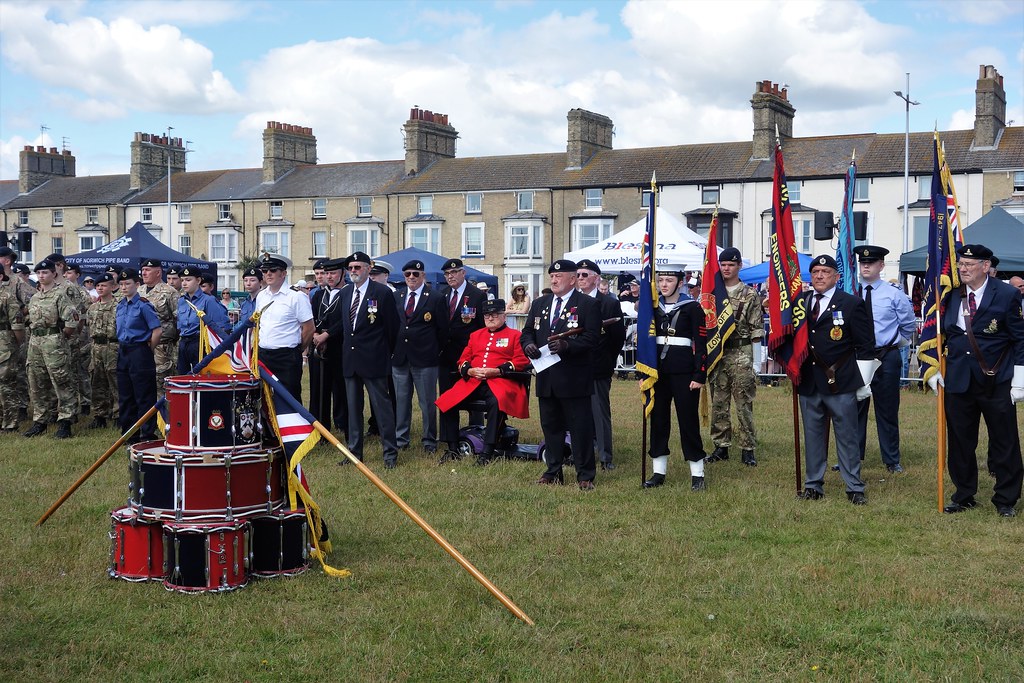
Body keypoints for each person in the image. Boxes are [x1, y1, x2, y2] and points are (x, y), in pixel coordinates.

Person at [933, 245, 1024, 517]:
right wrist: (934, 366)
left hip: (996, 379)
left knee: (1004, 440)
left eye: (970, 264)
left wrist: (1019, 379)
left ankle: (1006, 499)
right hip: (959, 380)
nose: (963, 268)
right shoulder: (949, 296)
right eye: (961, 264)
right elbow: (938, 333)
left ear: (986, 266)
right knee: (960, 440)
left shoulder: (1006, 294)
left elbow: (1020, 338)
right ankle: (964, 493)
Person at [795, 255, 875, 505]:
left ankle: (854, 487)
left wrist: (864, 382)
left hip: (840, 380)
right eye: (816, 271)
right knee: (813, 434)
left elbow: (866, 346)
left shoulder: (851, 304)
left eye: (825, 271)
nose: (819, 276)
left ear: (836, 276)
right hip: (809, 380)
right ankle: (813, 484)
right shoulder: (801, 302)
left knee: (848, 435)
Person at [521, 259, 601, 490]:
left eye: (559, 277)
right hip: (547, 377)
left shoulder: (586, 304)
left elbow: (592, 338)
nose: (554, 280)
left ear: (573, 279)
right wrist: (528, 345)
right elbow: (527, 331)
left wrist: (568, 346)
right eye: (552, 277)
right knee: (551, 426)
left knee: (580, 428)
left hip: (573, 377)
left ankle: (585, 475)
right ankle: (553, 471)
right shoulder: (540, 303)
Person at [437, 299, 531, 465]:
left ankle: (487, 451)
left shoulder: (515, 335)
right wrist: (470, 370)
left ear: (504, 316)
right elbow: (463, 359)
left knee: (497, 402)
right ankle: (452, 448)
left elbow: (521, 361)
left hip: (501, 381)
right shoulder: (476, 335)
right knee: (447, 400)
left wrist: (497, 370)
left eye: (495, 314)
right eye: (487, 315)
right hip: (474, 381)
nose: (490, 318)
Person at [642, 265, 709, 490]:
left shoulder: (692, 308)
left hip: (684, 372)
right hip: (658, 373)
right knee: (658, 421)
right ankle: (658, 472)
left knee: (688, 421)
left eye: (669, 280)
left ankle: (697, 473)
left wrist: (700, 374)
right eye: (661, 280)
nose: (663, 284)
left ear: (680, 282)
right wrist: (644, 373)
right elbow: (645, 341)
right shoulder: (653, 307)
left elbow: (701, 344)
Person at [853, 246, 916, 473]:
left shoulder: (893, 293)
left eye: (872, 262)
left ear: (881, 266)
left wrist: (894, 343)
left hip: (886, 356)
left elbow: (908, 324)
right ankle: (852, 456)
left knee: (887, 409)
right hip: (858, 357)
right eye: (863, 262)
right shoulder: (851, 292)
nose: (866, 266)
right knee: (854, 409)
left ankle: (891, 459)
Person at [339, 251, 400, 468]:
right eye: (351, 268)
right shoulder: (346, 293)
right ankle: (354, 453)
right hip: (351, 360)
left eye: (358, 267)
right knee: (353, 410)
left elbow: (393, 328)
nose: (353, 271)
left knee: (382, 409)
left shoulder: (382, 292)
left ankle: (390, 454)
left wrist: (384, 352)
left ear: (368, 268)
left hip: (374, 359)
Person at [706, 248, 765, 467]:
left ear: (739, 265)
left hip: (741, 352)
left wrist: (755, 362)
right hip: (718, 353)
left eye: (731, 264)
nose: (726, 268)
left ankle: (747, 448)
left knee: (743, 402)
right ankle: (721, 446)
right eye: (723, 264)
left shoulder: (749, 294)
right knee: (719, 402)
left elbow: (756, 330)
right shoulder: (713, 294)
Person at [391, 259, 449, 453]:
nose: (411, 278)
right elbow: (392, 327)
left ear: (423, 275)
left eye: (415, 274)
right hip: (400, 358)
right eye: (407, 274)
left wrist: (433, 351)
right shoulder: (397, 296)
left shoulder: (435, 297)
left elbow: (443, 330)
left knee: (427, 403)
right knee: (401, 402)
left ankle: (429, 440)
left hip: (425, 359)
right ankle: (401, 439)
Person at [576, 259, 627, 470]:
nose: (580, 279)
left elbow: (617, 338)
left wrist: (606, 360)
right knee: (577, 412)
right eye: (577, 275)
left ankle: (606, 458)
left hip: (597, 365)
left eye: (584, 275)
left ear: (596, 278)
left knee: (599, 413)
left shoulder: (609, 303)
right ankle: (579, 451)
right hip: (574, 366)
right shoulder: (573, 302)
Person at [22, 259, 80, 438]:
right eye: (39, 273)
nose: (41, 276)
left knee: (61, 381)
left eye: (45, 273)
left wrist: (60, 337)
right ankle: (40, 421)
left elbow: (72, 321)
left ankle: (65, 421)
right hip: (35, 342)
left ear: (54, 274)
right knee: (37, 382)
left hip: (54, 342)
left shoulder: (59, 295)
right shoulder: (35, 298)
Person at [438, 258, 487, 444]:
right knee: (446, 396)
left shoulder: (477, 295)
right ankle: (446, 435)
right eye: (447, 274)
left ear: (463, 273)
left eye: (454, 272)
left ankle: (476, 433)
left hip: (468, 356)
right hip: (446, 355)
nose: (451, 276)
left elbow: (482, 328)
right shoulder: (441, 294)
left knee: (472, 396)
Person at [254, 254, 314, 403]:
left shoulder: (296, 297)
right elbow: (259, 324)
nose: (268, 274)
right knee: (263, 397)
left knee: (289, 398)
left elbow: (309, 328)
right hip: (263, 355)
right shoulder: (262, 296)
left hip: (286, 356)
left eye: (273, 270)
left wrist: (298, 349)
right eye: (265, 270)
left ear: (283, 273)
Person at [115, 268, 162, 442]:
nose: (124, 287)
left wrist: (148, 349)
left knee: (144, 395)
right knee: (126, 395)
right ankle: (129, 434)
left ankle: (147, 433)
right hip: (124, 350)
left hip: (140, 351)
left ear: (137, 284)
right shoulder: (120, 305)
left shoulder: (143, 305)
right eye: (121, 284)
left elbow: (157, 330)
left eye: (128, 284)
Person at [308, 258, 348, 434]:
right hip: (318, 347)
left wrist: (327, 334)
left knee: (341, 388)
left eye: (333, 273)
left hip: (340, 347)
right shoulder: (318, 295)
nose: (329, 277)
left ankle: (343, 423)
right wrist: (315, 334)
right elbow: (312, 317)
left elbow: (345, 320)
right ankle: (319, 425)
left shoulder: (348, 293)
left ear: (342, 274)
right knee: (318, 387)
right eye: (326, 273)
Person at [0, 247, 34, 422]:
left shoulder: (16, 281)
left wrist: (22, 314)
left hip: (14, 333)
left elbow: (34, 300)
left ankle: (21, 407)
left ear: (7, 260)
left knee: (17, 372)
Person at [176, 266, 230, 374]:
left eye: (188, 280)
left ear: (198, 281)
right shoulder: (182, 301)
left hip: (200, 343)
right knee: (183, 376)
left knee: (201, 377)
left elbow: (221, 326)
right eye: (182, 280)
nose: (184, 283)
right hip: (184, 342)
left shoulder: (208, 300)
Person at [139, 258, 179, 400]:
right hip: (142, 346)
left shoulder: (169, 292)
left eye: (148, 270)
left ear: (158, 272)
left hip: (163, 347)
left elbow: (178, 319)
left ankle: (163, 418)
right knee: (143, 382)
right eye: (143, 270)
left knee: (161, 383)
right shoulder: (139, 291)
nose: (144, 273)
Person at [85, 274, 118, 429]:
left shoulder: (119, 306)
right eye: (98, 286)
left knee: (115, 381)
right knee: (97, 382)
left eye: (104, 285)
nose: (100, 288)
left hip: (113, 346)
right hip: (96, 347)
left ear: (112, 287)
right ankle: (100, 415)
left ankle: (118, 414)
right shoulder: (92, 308)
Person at [0, 268, 25, 431]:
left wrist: (15, 344)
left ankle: (10, 423)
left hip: (4, 341)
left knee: (6, 383)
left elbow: (17, 325)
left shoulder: (8, 296)